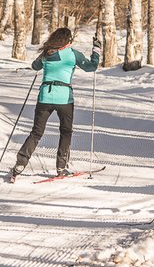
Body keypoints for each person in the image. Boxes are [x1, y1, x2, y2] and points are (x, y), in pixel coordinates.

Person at [9, 27, 101, 180]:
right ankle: (61, 166)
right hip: (65, 98)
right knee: (65, 132)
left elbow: (34, 66)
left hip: (45, 97)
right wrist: (96, 50)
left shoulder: (46, 53)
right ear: (68, 40)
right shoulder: (72, 53)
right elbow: (91, 67)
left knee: (36, 132)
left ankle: (20, 163)